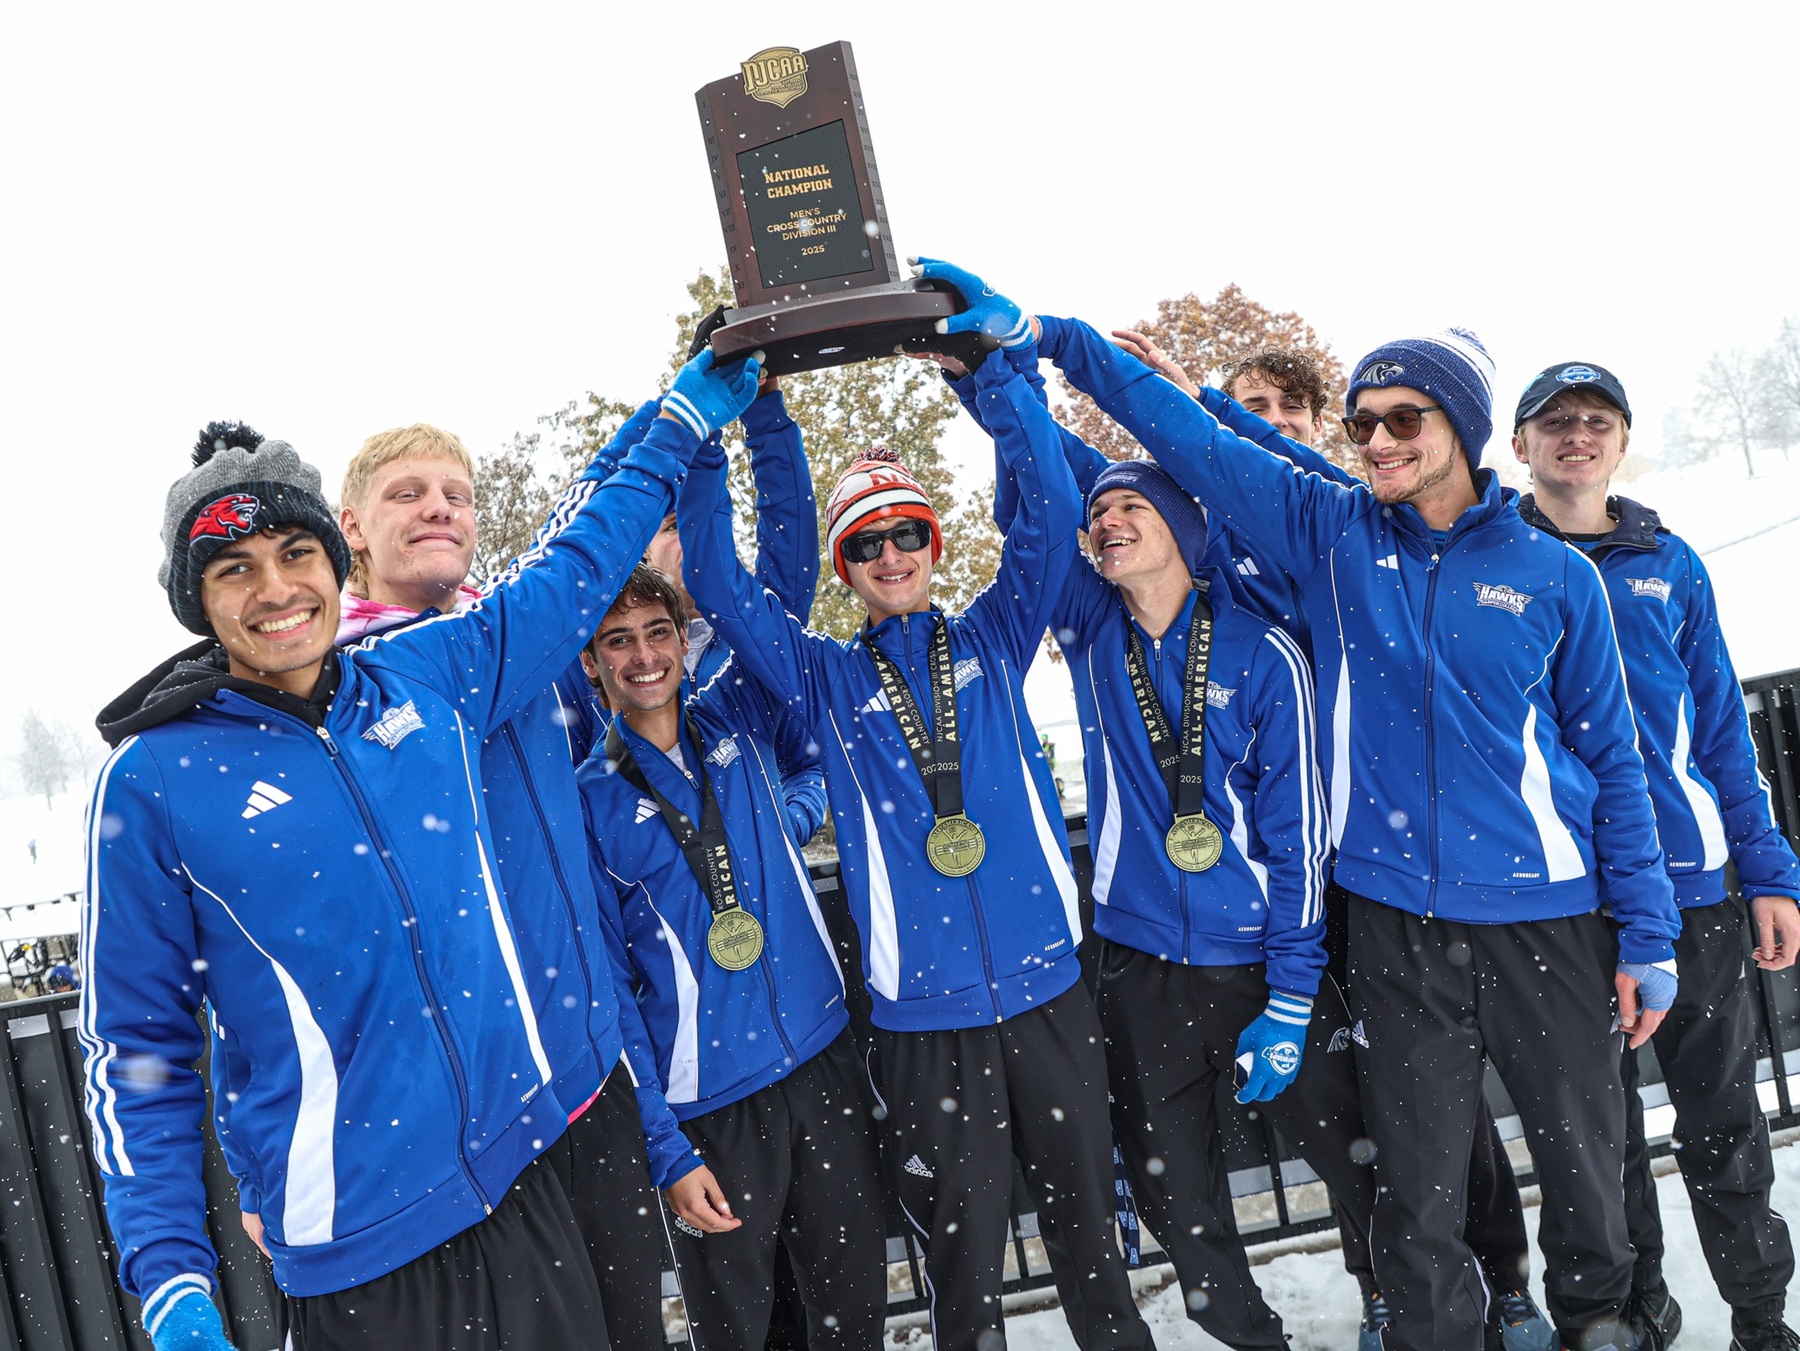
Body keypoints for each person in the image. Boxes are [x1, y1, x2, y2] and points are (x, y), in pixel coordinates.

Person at [80, 348, 756, 1351]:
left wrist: (683, 413)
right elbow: (138, 1048)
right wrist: (173, 1274)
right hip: (366, 1253)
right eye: (234, 569)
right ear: (200, 600)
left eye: (293, 555)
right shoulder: (151, 781)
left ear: (332, 562)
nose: (275, 590)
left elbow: (578, 566)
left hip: (530, 1186)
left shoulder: (427, 674)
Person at [1041, 310, 1681, 1351]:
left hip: (1551, 925)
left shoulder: (1557, 576)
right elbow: (1191, 447)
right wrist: (1052, 342)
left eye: (1404, 419)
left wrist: (1647, 933)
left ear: (1463, 430)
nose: (1378, 441)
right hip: (1397, 930)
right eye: (1363, 424)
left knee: (1587, 1171)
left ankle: (1602, 1323)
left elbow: (1615, 762)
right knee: (1416, 1198)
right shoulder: (1333, 535)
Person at [677, 261, 1158, 1351]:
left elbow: (1045, 510)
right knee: (964, 1278)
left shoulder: (993, 635)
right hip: (923, 1027)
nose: (890, 553)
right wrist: (724, 422)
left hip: (1049, 998)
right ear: (846, 568)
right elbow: (719, 576)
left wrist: (998, 381)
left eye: (907, 533)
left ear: (936, 546)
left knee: (1095, 1260)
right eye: (865, 544)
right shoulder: (825, 683)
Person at [942, 323, 1378, 1348]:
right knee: (1186, 1218)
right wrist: (987, 377)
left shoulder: (1264, 653)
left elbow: (1295, 837)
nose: (1108, 520)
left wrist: (1288, 989)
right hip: (1141, 969)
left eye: (1132, 505)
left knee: (1366, 1164)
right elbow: (1050, 486)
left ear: (1183, 526)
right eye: (1102, 515)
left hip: (1267, 966)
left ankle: (1396, 1308)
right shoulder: (1093, 629)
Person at [1116, 333, 1553, 1351]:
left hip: (1380, 859)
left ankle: (1507, 1278)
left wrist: (1205, 402)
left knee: (1439, 1104)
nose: (1264, 421)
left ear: (1313, 427)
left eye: (1280, 407)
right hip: (1290, 878)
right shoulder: (1224, 543)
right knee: (1369, 1115)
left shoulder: (1345, 518)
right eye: (1249, 405)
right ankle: (1391, 1288)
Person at [327, 413, 669, 1350]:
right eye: (407, 493)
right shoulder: (349, 685)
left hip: (591, 1077)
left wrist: (655, 421)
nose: (439, 508)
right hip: (480, 1112)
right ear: (350, 526)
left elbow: (581, 537)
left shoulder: (518, 637)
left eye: (457, 496)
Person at [1512, 361, 1800, 1351]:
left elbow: (1723, 730)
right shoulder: (1492, 566)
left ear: (1621, 442)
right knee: (1596, 1143)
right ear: (1522, 446)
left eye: (1596, 421)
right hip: (1564, 900)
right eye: (1554, 422)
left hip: (1693, 895)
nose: (1575, 436)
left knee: (1725, 1124)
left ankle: (1762, 1319)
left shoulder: (1669, 564)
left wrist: (1766, 870)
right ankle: (1632, 1317)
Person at [576, 565, 886, 1350]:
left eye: (658, 633)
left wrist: (738, 443)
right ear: (590, 661)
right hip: (712, 1104)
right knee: (741, 1331)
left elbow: (781, 582)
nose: (643, 656)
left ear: (686, 640)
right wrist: (664, 1147)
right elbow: (607, 993)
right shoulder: (586, 799)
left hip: (821, 1061)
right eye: (618, 641)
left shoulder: (740, 716)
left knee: (854, 1314)